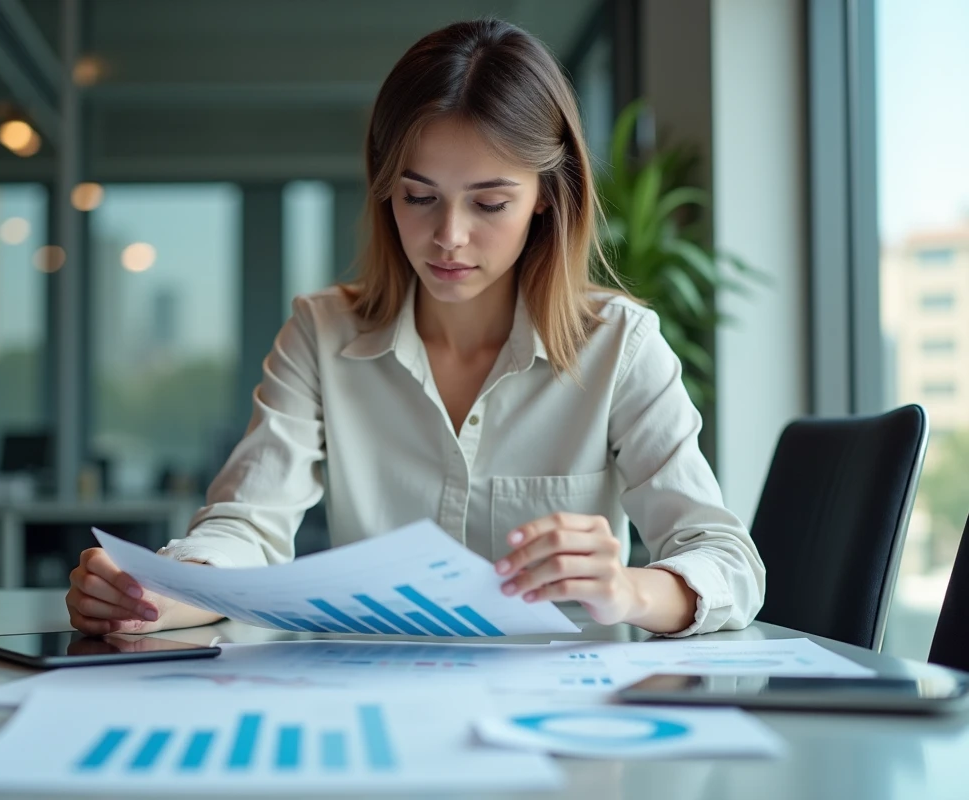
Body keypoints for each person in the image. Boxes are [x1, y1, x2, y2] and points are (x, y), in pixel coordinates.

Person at [66, 19, 765, 638]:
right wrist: (155, 594)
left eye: (489, 202)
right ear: (385, 190)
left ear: (547, 200)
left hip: (562, 727)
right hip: (381, 709)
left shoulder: (619, 344)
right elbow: (247, 524)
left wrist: (628, 588)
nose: (448, 237)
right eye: (419, 197)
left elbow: (727, 560)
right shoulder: (322, 333)